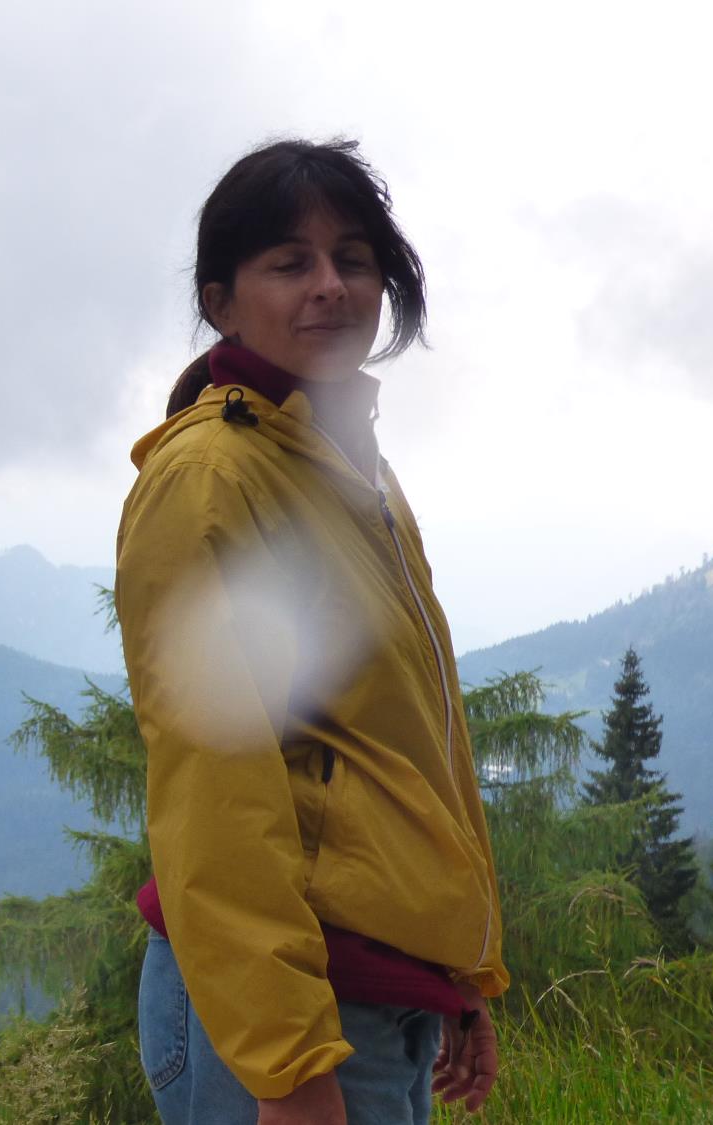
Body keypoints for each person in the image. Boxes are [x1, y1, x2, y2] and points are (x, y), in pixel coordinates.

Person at [115, 138, 505, 1124]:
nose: (329, 285)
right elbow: (214, 787)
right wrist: (287, 1068)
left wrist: (460, 974)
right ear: (220, 301)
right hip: (292, 1011)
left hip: (377, 991)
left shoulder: (355, 470)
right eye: (289, 263)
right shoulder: (211, 475)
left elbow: (408, 742)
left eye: (353, 259)